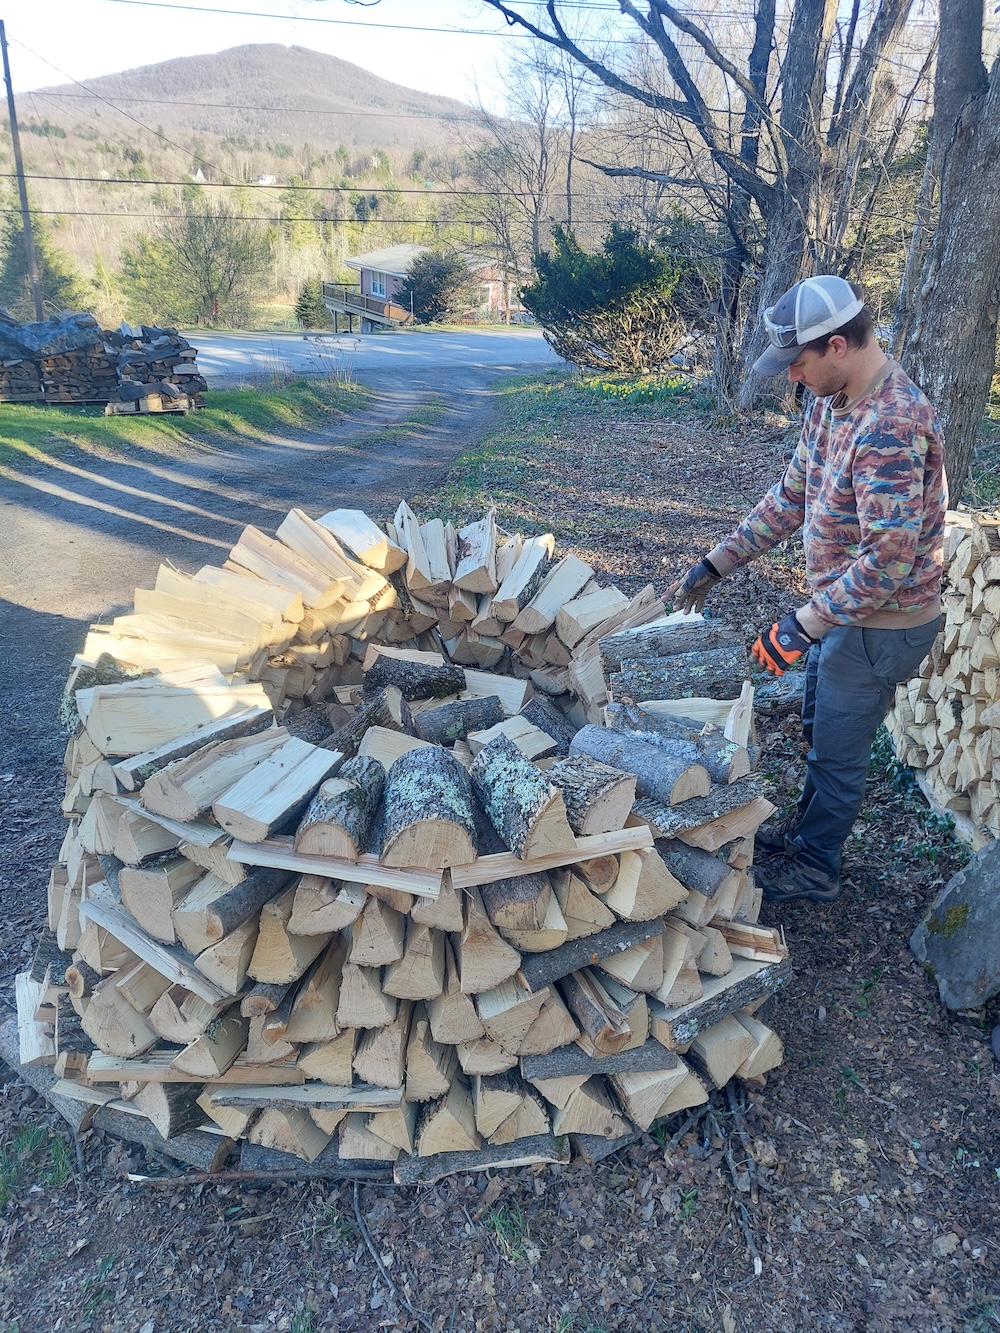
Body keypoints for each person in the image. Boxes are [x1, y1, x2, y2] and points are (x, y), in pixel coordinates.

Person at [669, 275, 947, 904]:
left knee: (837, 754)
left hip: (883, 624)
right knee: (820, 729)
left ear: (838, 346)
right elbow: (792, 495)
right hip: (842, 613)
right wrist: (718, 563)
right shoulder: (832, 401)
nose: (793, 376)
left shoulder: (891, 424)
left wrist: (803, 625)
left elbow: (889, 561)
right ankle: (806, 838)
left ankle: (818, 867)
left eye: (798, 362)